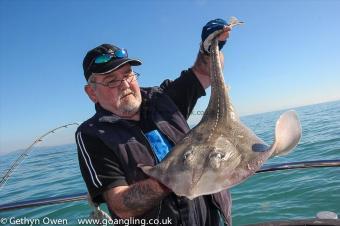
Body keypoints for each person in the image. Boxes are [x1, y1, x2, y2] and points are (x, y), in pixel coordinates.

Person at [76, 19, 232, 226]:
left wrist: (209, 48)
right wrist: (178, 175)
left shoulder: (163, 98)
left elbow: (205, 73)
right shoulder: (92, 134)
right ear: (91, 93)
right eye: (112, 80)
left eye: (128, 74)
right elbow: (121, 205)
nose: (125, 84)